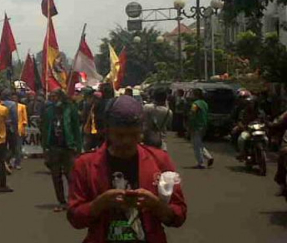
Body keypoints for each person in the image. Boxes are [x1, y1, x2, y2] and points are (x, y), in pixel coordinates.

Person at [67, 95, 187, 242]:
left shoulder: (159, 160)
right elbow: (75, 218)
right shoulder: (85, 164)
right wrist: (99, 203)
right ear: (107, 130)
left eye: (134, 135)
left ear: (141, 131)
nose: (126, 141)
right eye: (120, 135)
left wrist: (156, 205)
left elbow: (179, 216)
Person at [42, 89, 82, 212]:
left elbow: (76, 129)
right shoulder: (49, 112)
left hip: (68, 147)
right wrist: (45, 148)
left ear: (60, 97)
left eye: (54, 96)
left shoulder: (71, 110)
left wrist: (78, 148)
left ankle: (73, 200)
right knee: (56, 176)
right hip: (54, 148)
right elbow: (44, 130)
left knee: (70, 175)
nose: (52, 98)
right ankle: (61, 201)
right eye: (51, 96)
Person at [235, 96, 267, 161]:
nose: (251, 104)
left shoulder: (260, 112)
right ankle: (242, 153)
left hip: (258, 130)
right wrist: (242, 126)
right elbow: (239, 121)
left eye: (252, 103)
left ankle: (264, 151)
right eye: (249, 103)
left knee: (266, 139)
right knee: (241, 139)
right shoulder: (243, 112)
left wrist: (265, 125)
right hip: (248, 130)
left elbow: (264, 120)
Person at [189, 88, 214, 169]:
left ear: (196, 95)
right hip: (203, 125)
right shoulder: (204, 103)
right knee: (199, 144)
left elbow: (192, 114)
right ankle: (208, 157)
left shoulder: (195, 104)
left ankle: (201, 163)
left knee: (196, 145)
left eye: (192, 93)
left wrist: (190, 126)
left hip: (196, 126)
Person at [1, 90, 19, 173]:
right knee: (13, 147)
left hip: (1, 128)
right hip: (11, 128)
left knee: (3, 146)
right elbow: (15, 117)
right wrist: (15, 128)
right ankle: (5, 160)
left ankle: (5, 161)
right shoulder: (12, 104)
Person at [13, 92, 29, 169]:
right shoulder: (9, 106)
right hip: (11, 129)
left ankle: (18, 163)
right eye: (12, 98)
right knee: (11, 147)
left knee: (18, 147)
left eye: (15, 97)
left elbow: (25, 119)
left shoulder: (22, 106)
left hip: (19, 129)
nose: (14, 99)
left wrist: (24, 127)